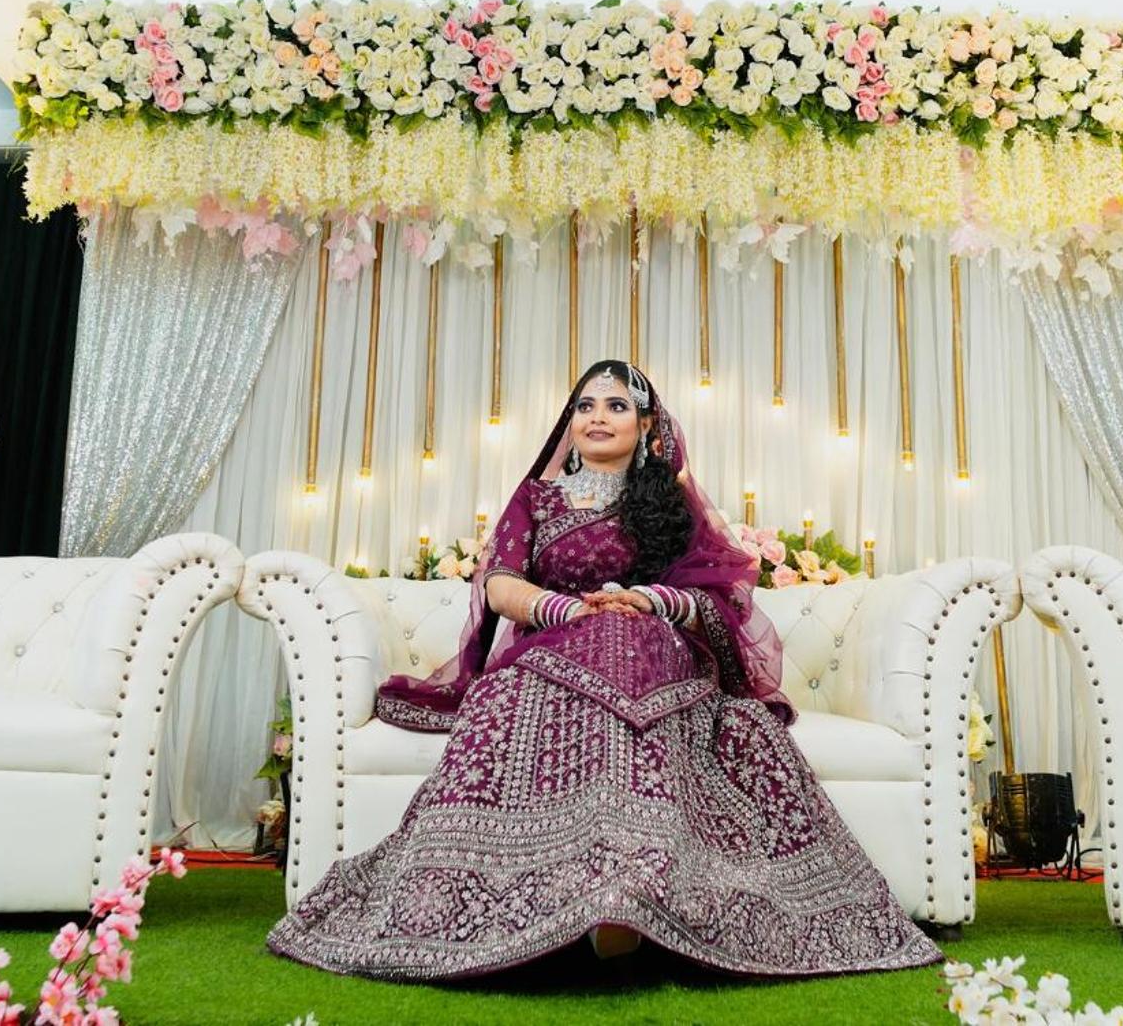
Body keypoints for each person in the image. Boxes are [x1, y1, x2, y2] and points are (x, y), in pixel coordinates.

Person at [266, 360, 943, 981]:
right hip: (550, 648)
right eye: (585, 405)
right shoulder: (536, 499)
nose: (596, 416)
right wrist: (564, 610)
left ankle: (627, 891)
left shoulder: (669, 505)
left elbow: (718, 593)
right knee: (511, 694)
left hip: (653, 650)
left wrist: (649, 600)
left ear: (645, 425)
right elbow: (499, 583)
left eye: (616, 405)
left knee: (626, 638)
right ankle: (570, 896)